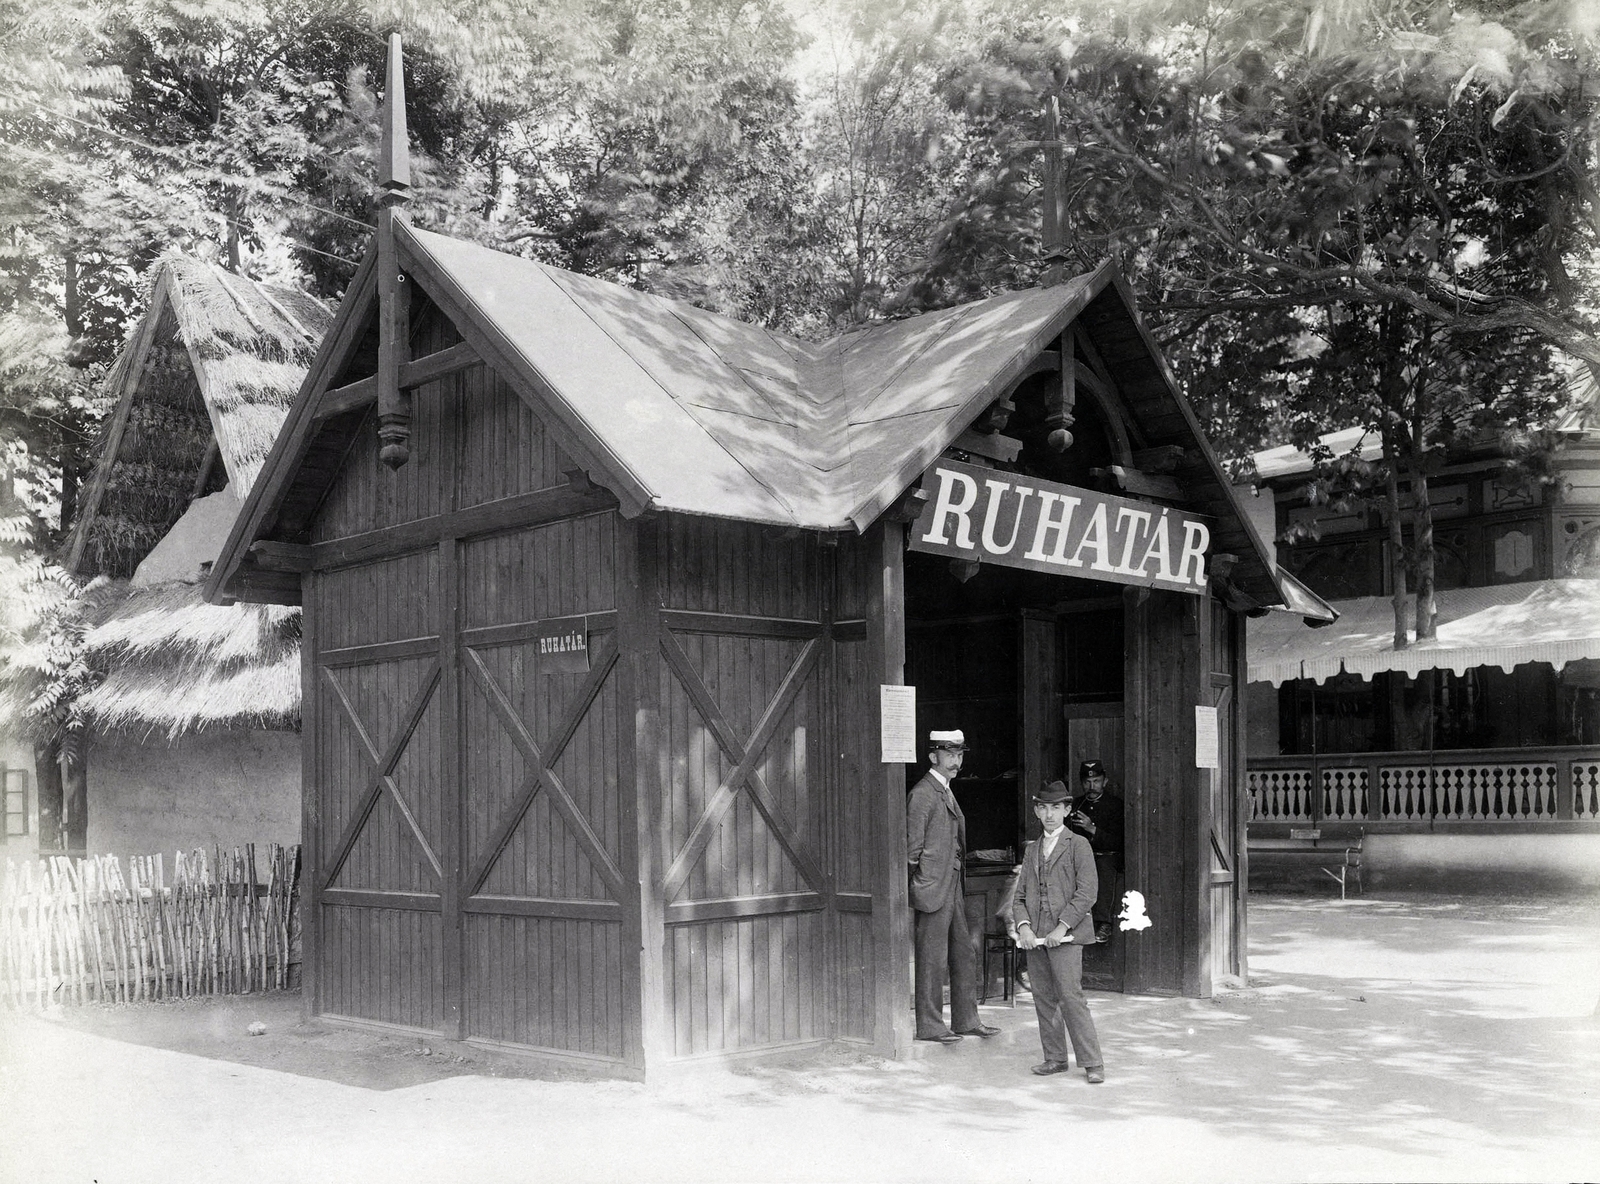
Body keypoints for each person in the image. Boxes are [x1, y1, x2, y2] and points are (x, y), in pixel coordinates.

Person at [907, 729, 1000, 1044]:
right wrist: (915, 887)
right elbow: (911, 851)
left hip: (952, 886)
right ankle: (931, 1025)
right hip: (933, 887)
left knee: (964, 952)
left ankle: (966, 1020)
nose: (956, 762)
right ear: (933, 756)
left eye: (960, 755)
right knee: (931, 959)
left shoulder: (945, 790)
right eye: (949, 755)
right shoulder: (923, 793)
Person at [1013, 779, 1105, 1082]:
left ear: (1067, 810)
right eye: (1044, 808)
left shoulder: (1079, 845)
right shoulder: (1032, 850)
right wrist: (1025, 928)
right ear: (1037, 811)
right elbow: (1020, 897)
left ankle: (1093, 1063)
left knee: (1070, 996)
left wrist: (1062, 926)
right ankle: (1054, 1058)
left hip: (1066, 936)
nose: (1050, 814)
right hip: (1036, 938)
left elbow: (1087, 893)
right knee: (1043, 996)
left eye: (1057, 807)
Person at [1067, 759, 1125, 944]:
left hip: (1106, 857)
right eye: (1087, 782)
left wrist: (1092, 828)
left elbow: (1118, 841)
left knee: (1103, 866)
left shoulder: (1115, 805)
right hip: (1080, 857)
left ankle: (1103, 923)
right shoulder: (1075, 805)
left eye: (1097, 781)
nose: (1092, 786)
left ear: (1105, 782)